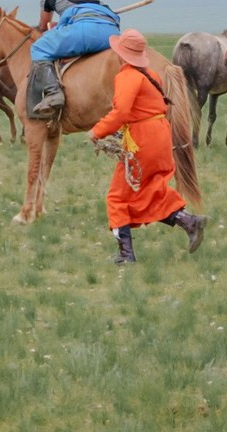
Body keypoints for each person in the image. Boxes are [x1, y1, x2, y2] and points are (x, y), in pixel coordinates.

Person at [88, 28, 207, 263]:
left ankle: (126, 254)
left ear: (122, 54)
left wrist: (97, 131)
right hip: (161, 136)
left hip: (142, 140)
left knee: (117, 197)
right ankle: (188, 222)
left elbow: (121, 112)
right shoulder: (151, 74)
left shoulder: (126, 76)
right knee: (150, 190)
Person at [27, 0, 119, 119]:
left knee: (39, 48)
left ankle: (53, 93)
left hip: (83, 30)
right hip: (110, 29)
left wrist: (54, 27)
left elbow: (43, 26)